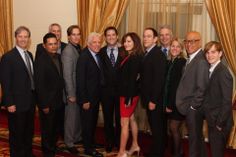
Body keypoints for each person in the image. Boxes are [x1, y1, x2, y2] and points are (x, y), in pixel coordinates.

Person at [0, 26, 35, 157]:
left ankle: (27, 153)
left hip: (30, 102)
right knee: (16, 134)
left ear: (29, 39)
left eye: (26, 36)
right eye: (20, 36)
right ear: (16, 38)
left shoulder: (30, 55)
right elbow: (5, 82)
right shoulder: (8, 57)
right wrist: (9, 103)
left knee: (28, 132)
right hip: (16, 104)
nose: (23, 39)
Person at [176, 31, 209, 157]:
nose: (189, 44)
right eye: (187, 41)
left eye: (193, 41)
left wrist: (192, 107)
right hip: (190, 107)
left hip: (194, 109)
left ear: (200, 42)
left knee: (194, 141)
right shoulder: (191, 58)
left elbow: (202, 88)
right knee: (198, 139)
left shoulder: (200, 61)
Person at [34, 33, 64, 157]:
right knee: (47, 130)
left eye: (55, 44)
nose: (53, 46)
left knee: (56, 128)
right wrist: (44, 104)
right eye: (50, 44)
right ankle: (47, 152)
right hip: (47, 103)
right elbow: (39, 85)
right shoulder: (41, 60)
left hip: (58, 101)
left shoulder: (58, 57)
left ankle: (52, 147)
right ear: (44, 45)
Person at [203, 41, 233, 157]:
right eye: (207, 52)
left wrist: (219, 124)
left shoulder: (223, 72)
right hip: (213, 120)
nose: (210, 55)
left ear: (220, 53)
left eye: (213, 52)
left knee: (217, 154)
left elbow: (226, 102)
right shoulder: (212, 69)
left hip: (220, 123)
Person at [140, 27, 167, 157]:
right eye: (144, 36)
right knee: (155, 127)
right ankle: (157, 151)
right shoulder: (147, 53)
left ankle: (157, 153)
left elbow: (159, 80)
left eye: (149, 36)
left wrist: (153, 100)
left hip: (154, 100)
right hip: (149, 99)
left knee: (157, 128)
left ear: (155, 39)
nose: (145, 38)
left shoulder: (158, 54)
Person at [76, 32, 103, 157]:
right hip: (87, 99)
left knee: (92, 122)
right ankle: (88, 148)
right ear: (88, 43)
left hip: (95, 97)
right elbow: (80, 80)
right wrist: (84, 100)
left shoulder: (97, 55)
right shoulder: (84, 56)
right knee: (87, 124)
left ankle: (91, 143)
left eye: (99, 42)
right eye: (94, 42)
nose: (97, 45)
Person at [116, 32, 143, 157]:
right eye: (125, 41)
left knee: (124, 123)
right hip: (129, 94)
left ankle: (121, 152)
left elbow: (132, 80)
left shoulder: (134, 58)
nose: (126, 44)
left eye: (129, 41)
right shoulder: (129, 55)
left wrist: (128, 99)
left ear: (135, 43)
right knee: (131, 119)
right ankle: (135, 145)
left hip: (128, 95)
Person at [100, 26, 123, 152]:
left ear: (117, 36)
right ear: (105, 38)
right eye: (108, 35)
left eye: (113, 34)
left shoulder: (124, 50)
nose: (111, 37)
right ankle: (108, 141)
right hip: (106, 92)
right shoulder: (101, 52)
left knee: (120, 119)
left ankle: (119, 142)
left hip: (120, 92)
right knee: (107, 118)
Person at [61, 25, 82, 155]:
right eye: (73, 34)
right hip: (71, 92)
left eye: (78, 34)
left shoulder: (77, 48)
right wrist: (71, 94)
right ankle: (69, 142)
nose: (76, 37)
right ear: (68, 37)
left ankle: (77, 138)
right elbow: (67, 74)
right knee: (70, 118)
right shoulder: (68, 50)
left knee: (76, 117)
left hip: (77, 90)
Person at [163, 38, 186, 157]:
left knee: (173, 128)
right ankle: (179, 151)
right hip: (172, 101)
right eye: (173, 46)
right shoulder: (171, 62)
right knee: (172, 129)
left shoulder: (181, 62)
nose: (175, 48)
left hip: (176, 103)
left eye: (178, 46)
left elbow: (176, 86)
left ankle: (177, 154)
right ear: (169, 47)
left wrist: (170, 105)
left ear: (181, 49)